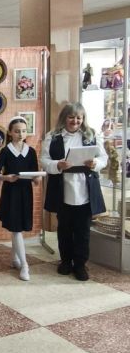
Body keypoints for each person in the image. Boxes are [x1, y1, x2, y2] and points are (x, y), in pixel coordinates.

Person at [41, 102, 107, 281]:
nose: (75, 121)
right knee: (64, 229)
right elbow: (44, 160)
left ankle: (80, 264)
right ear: (64, 118)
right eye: (71, 117)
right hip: (63, 189)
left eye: (79, 117)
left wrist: (95, 163)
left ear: (83, 119)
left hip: (85, 190)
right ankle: (65, 261)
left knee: (83, 231)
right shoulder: (52, 136)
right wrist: (58, 165)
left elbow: (103, 158)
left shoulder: (91, 135)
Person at [0, 117, 41, 281]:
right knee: (16, 229)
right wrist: (6, 178)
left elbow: (34, 173)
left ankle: (14, 259)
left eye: (24, 131)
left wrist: (37, 179)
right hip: (11, 193)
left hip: (26, 193)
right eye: (17, 131)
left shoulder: (31, 151)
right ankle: (25, 265)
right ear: (10, 133)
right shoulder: (6, 151)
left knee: (17, 228)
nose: (21, 134)